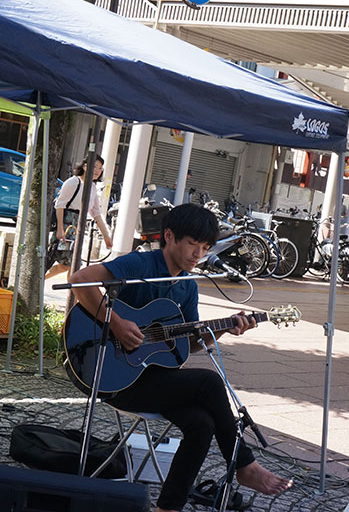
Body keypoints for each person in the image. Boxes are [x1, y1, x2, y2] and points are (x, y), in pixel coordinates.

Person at [68, 204, 293, 512]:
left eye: (205, 247)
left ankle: (168, 508)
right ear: (169, 236)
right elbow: (80, 279)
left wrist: (226, 329)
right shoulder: (140, 265)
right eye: (192, 244)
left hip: (149, 377)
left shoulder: (187, 286)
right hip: (108, 374)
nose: (197, 254)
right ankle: (244, 465)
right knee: (210, 381)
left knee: (201, 424)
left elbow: (186, 346)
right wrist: (117, 324)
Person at [45, 156, 113, 280]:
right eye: (95, 166)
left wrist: (106, 236)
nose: (98, 170)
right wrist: (60, 229)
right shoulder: (73, 182)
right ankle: (73, 297)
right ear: (85, 166)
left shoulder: (92, 187)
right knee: (71, 265)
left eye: (100, 168)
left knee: (67, 265)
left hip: (78, 227)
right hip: (67, 225)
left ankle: (40, 282)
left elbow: (96, 213)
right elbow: (60, 205)